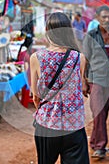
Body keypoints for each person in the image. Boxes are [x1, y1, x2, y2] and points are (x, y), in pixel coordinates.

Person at [30, 12, 89, 164]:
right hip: (73, 125)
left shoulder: (36, 57)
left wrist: (44, 110)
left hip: (47, 125)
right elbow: (81, 88)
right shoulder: (79, 58)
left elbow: (35, 96)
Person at [83, 5, 109, 159]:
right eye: (103, 17)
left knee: (103, 113)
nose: (106, 20)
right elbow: (84, 58)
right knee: (98, 112)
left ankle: (94, 141)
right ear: (97, 17)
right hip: (95, 78)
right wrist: (83, 81)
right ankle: (100, 147)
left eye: (108, 17)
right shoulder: (90, 35)